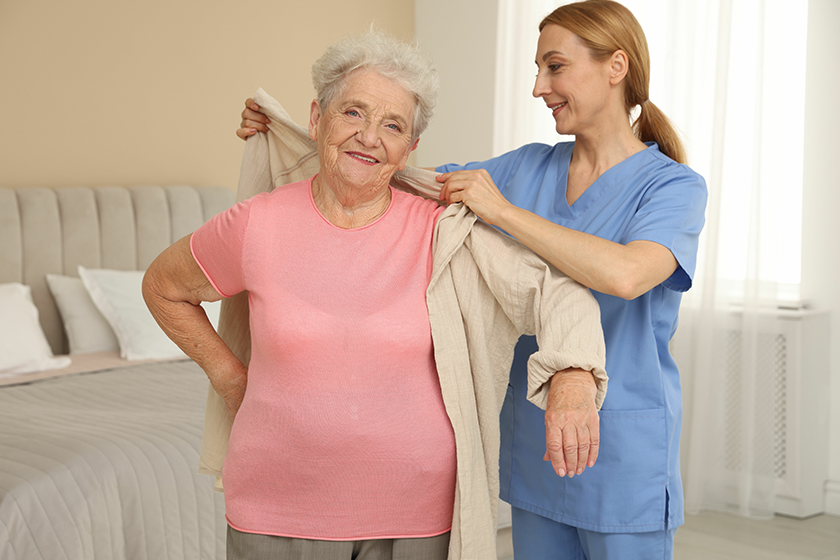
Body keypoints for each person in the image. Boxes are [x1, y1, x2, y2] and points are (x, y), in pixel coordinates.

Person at [235, 2, 707, 558]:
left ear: (616, 66)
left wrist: (503, 212)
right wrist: (288, 132)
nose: (538, 87)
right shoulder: (529, 166)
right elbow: (398, 176)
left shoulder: (673, 187)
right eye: (536, 69)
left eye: (554, 67)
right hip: (536, 440)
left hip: (621, 449)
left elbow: (627, 274)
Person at [145, 30, 607, 560]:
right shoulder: (257, 224)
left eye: (393, 125)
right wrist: (230, 378)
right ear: (317, 120)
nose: (369, 137)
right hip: (274, 508)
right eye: (353, 114)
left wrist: (572, 377)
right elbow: (163, 286)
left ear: (410, 148)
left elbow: (557, 292)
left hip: (415, 516)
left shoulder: (442, 232)